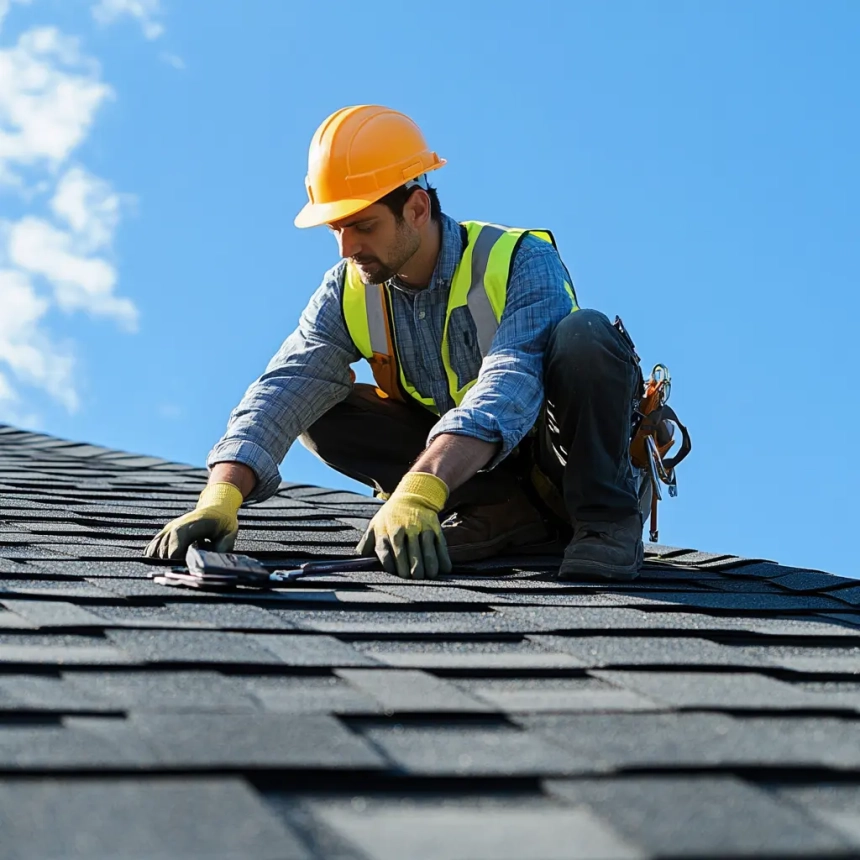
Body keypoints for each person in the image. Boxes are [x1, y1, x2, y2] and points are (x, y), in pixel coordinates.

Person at [145, 105, 644, 581]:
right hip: (474, 473)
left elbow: (509, 383)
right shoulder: (348, 289)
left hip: (558, 463)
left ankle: (603, 522)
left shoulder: (518, 259)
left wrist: (420, 491)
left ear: (417, 207)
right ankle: (499, 511)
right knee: (316, 409)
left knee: (586, 338)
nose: (347, 248)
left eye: (363, 226)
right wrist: (221, 496)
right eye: (337, 228)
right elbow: (285, 385)